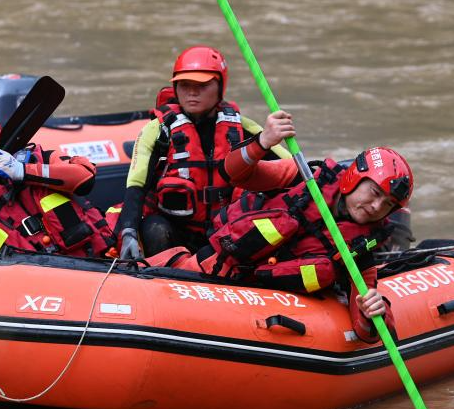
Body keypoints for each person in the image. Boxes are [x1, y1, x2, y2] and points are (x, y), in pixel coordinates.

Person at [160, 114, 411, 343]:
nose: (376, 206)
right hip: (210, 269)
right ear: (355, 177)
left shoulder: (360, 251)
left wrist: (373, 312)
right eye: (375, 192)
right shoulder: (304, 177)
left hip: (258, 306)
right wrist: (263, 141)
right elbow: (234, 172)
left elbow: (364, 330)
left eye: (387, 204)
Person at [117, 45, 276, 260]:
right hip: (175, 231)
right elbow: (136, 186)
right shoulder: (157, 130)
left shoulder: (243, 129)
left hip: (227, 233)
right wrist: (128, 233)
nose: (192, 92)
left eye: (202, 85)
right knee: (155, 228)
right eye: (184, 85)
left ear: (220, 86)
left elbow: (293, 169)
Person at [0, 109, 115, 257]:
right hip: (32, 284)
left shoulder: (39, 159)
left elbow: (85, 177)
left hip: (94, 265)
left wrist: (22, 171)